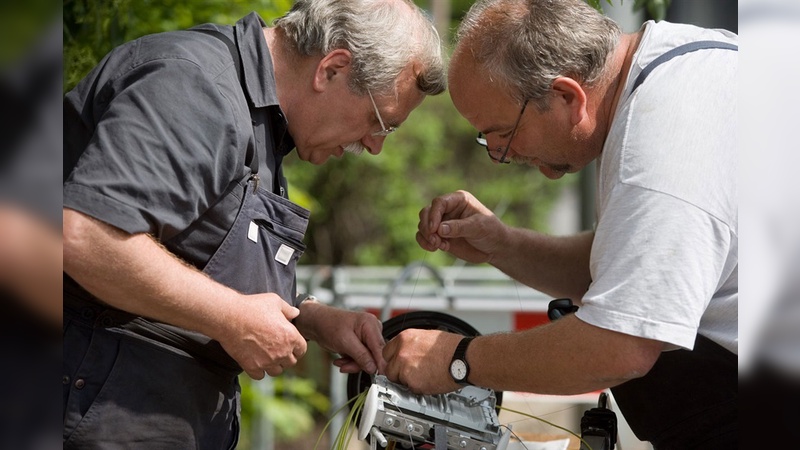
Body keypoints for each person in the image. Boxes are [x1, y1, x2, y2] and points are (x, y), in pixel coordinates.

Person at [62, 0, 445, 448]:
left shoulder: (265, 123)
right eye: (381, 123)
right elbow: (87, 234)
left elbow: (200, 260)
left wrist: (312, 317)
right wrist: (231, 317)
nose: (375, 146)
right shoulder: (195, 87)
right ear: (332, 69)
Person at [382, 0, 736, 448]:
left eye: (504, 134)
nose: (502, 157)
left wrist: (455, 359)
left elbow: (620, 344)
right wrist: (502, 245)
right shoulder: (678, 65)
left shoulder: (662, 146)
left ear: (568, 96)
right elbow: (630, 276)